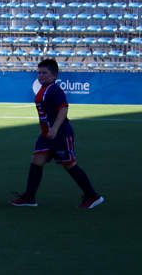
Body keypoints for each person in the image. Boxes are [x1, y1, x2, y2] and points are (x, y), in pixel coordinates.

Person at [11, 59, 105, 209]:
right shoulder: (44, 89)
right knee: (36, 161)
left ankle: (92, 196)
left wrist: (54, 128)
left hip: (60, 134)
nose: (41, 75)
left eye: (44, 73)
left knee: (70, 165)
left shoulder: (54, 90)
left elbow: (63, 109)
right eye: (39, 72)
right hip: (46, 135)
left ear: (54, 75)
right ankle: (29, 197)